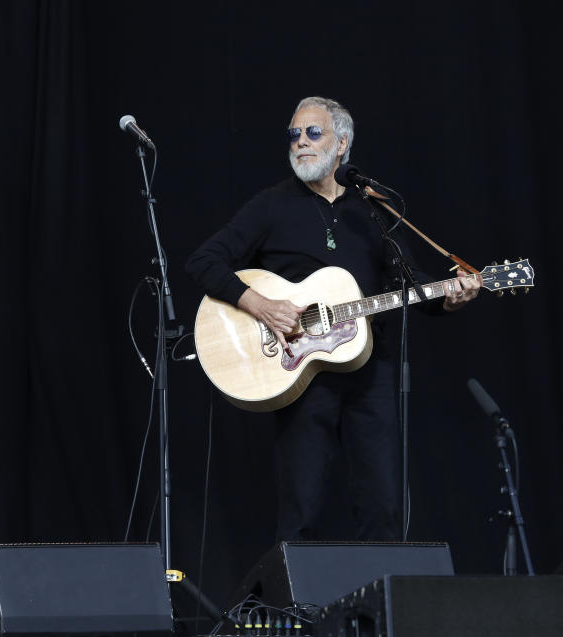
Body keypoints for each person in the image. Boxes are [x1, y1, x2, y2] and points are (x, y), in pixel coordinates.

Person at [186, 97, 480, 541]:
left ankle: (380, 608)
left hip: (370, 371)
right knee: (302, 506)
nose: (300, 142)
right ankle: (299, 610)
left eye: (312, 133)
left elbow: (411, 282)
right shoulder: (271, 206)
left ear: (342, 143)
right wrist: (258, 304)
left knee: (383, 505)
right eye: (294, 134)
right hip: (300, 370)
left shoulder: (373, 208)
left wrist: (449, 299)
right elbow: (203, 261)